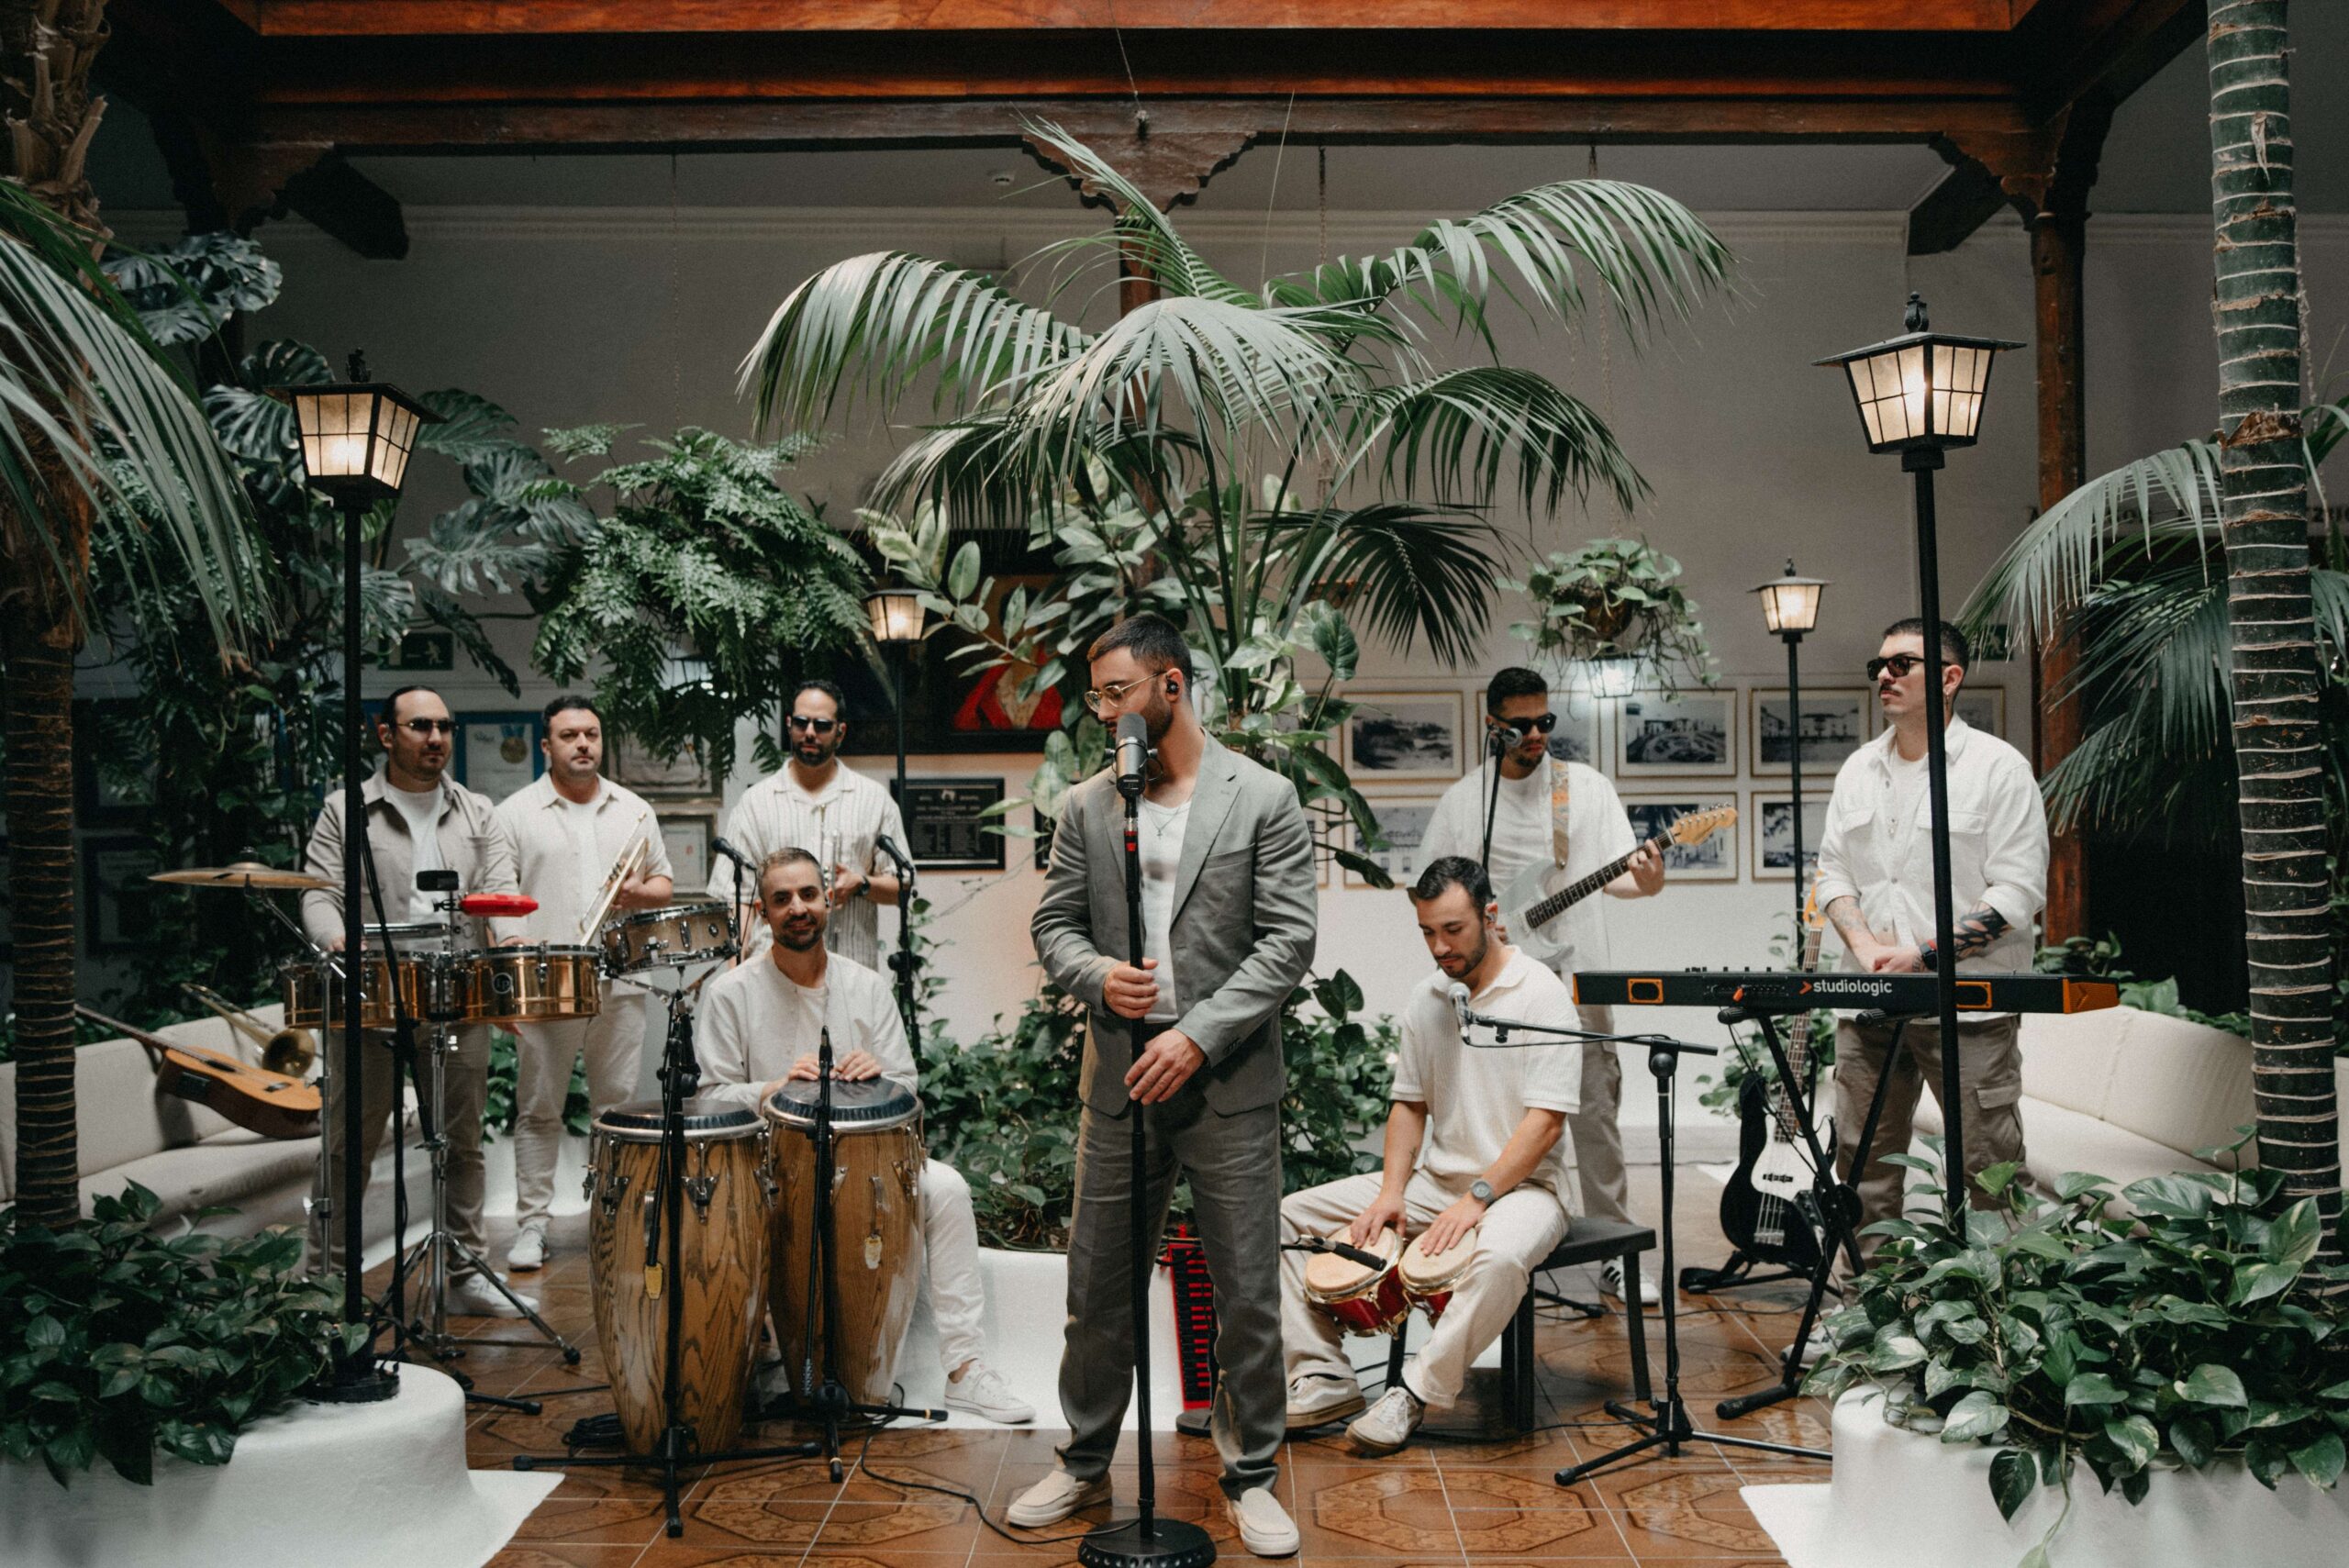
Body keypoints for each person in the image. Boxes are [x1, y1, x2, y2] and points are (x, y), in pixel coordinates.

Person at [1017, 613, 1318, 1558]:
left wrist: (1198, 1033)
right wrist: (1098, 975)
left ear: (1171, 686)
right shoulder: (1086, 805)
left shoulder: (1262, 796)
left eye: (1117, 691)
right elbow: (1054, 925)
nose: (1103, 709)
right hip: (1119, 1080)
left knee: (1248, 1294)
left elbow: (1289, 941)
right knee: (1096, 1288)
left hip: (1225, 1080)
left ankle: (1253, 1474)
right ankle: (1081, 1460)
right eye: (1097, 695)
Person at [694, 848, 1034, 1424]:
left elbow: (907, 1082)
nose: (797, 908)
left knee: (948, 1190)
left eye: (808, 894)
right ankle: (749, 1355)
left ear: (828, 900)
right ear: (763, 911)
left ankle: (965, 1368)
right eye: (782, 899)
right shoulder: (731, 993)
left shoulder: (867, 986)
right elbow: (710, 1095)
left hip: (869, 1161)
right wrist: (773, 1087)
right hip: (771, 1169)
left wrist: (880, 1076)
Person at [1281, 856, 1578, 1454]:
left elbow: (1545, 1124)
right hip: (1435, 1183)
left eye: (1453, 929)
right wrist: (1391, 1192)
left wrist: (1478, 1197)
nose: (1440, 947)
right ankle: (1322, 1375)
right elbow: (1409, 1105)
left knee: (1499, 1258)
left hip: (1526, 1189)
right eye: (1427, 932)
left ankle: (1413, 1392)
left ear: (1489, 915)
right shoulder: (1430, 997)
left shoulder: (1542, 994)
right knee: (1286, 1218)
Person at [1416, 666, 1664, 1301]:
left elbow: (1623, 878)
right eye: (1520, 724)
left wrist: (1650, 880)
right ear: (1491, 724)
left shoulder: (1584, 788)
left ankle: (1618, 1252)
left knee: (1596, 1116)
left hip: (1577, 983)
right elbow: (1429, 889)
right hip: (1493, 988)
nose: (1535, 735)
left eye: (1544, 722)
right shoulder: (1465, 801)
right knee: (1494, 1119)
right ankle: (1494, 1242)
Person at [1815, 617, 2048, 1284]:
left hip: (1968, 1007)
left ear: (1949, 678)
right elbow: (1832, 873)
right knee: (1861, 1168)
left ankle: (2003, 1319)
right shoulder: (1859, 769)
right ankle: (1866, 1311)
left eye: (1902, 664)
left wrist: (1921, 954)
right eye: (1879, 666)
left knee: (1988, 1169)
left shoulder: (1998, 769)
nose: (1884, 676)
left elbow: (2018, 891)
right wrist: (1864, 944)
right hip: (1869, 1003)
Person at [299, 684, 535, 1318]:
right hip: (371, 994)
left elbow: (499, 887)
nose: (436, 738)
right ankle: (327, 1282)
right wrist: (334, 937)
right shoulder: (346, 809)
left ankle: (465, 1273)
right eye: (420, 726)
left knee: (462, 1141)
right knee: (349, 1144)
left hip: (457, 994)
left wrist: (510, 943)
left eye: (444, 726)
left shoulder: (478, 811)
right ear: (386, 735)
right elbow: (318, 891)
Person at [489, 695, 675, 1273]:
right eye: (569, 736)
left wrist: (638, 894)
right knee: (538, 1107)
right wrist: (511, 968)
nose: (583, 744)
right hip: (548, 982)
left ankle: (610, 1218)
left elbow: (664, 883)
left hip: (620, 977)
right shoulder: (514, 814)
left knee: (615, 1107)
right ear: (547, 746)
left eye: (591, 734)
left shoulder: (634, 810)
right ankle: (532, 1225)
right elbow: (500, 898)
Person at [707, 679, 907, 971]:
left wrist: (862, 884)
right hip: (773, 973)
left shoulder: (874, 800)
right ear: (789, 725)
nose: (810, 733)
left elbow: (904, 885)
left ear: (840, 732)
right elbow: (736, 898)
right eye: (802, 723)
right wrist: (735, 972)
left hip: (850, 970)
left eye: (822, 725)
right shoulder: (756, 802)